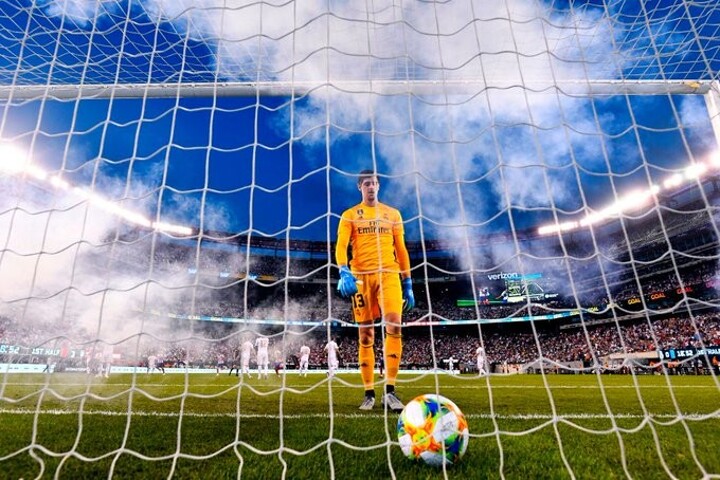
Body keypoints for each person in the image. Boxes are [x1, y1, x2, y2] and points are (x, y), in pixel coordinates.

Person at [335, 169, 414, 412]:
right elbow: (341, 246)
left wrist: (408, 282)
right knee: (366, 336)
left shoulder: (393, 214)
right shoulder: (350, 215)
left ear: (379, 186)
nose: (371, 187)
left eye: (374, 183)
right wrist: (343, 270)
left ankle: (390, 392)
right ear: (360, 187)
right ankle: (369, 394)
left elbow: (401, 249)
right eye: (367, 183)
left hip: (389, 274)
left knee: (394, 326)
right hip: (361, 278)